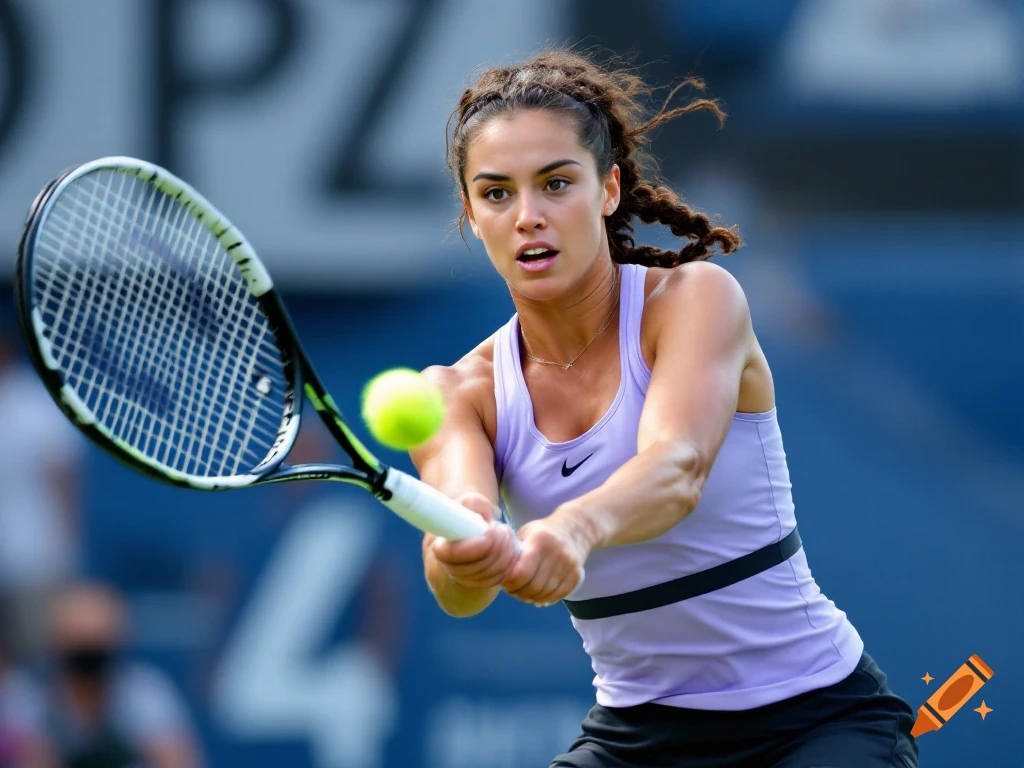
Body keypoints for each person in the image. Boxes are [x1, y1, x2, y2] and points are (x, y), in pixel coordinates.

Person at [410, 50, 920, 768]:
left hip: (815, 720)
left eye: (557, 184)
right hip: (638, 739)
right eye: (496, 194)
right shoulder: (455, 393)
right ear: (471, 213)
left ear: (609, 188)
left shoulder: (694, 300)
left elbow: (676, 468)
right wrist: (465, 552)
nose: (528, 217)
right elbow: (457, 583)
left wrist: (573, 531)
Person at [38, 582, 204, 768]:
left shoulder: (144, 694)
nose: (89, 657)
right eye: (79, 646)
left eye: (97, 646)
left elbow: (179, 762)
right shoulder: (36, 699)